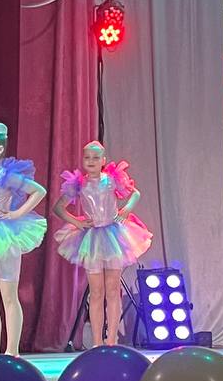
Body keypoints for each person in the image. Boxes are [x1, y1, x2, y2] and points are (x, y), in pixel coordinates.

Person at [53, 141, 152, 348]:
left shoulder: (111, 180)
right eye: (87, 157)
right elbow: (59, 207)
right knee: (96, 292)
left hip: (113, 236)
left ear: (103, 160)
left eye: (96, 157)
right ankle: (97, 342)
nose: (91, 161)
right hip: (92, 239)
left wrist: (126, 210)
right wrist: (76, 222)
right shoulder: (79, 184)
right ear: (83, 160)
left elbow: (135, 193)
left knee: (113, 289)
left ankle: (111, 340)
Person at [0, 123, 47, 356]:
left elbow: (39, 191)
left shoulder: (6, 176)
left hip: (4, 236)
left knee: (9, 296)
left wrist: (17, 214)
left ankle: (12, 350)